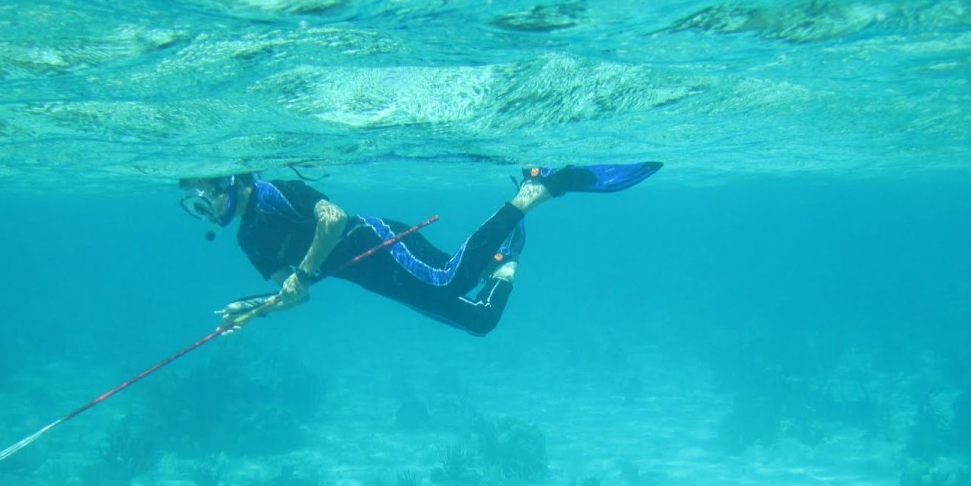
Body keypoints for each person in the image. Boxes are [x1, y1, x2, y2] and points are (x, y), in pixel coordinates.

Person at [178, 163, 662, 336]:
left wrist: (302, 274)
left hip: (378, 244)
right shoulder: (248, 240)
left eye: (205, 195)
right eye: (195, 204)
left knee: (451, 278)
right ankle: (506, 260)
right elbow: (296, 293)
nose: (203, 208)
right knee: (477, 322)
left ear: (229, 179)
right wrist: (259, 307)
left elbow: (335, 218)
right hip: (370, 278)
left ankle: (539, 188)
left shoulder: (273, 193)